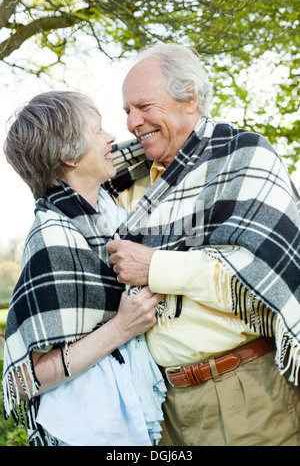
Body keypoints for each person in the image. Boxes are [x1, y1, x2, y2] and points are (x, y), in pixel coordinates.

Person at [105, 43, 300, 446]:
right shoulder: (128, 179)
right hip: (161, 402)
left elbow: (258, 275)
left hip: (244, 393)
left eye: (143, 106)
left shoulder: (243, 157)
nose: (132, 122)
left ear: (190, 97)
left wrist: (155, 266)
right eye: (126, 111)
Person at [2, 91, 166, 446]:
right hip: (84, 428)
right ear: (68, 155)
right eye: (98, 130)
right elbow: (29, 377)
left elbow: (146, 149)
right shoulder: (54, 234)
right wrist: (122, 327)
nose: (111, 137)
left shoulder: (106, 210)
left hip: (126, 409)